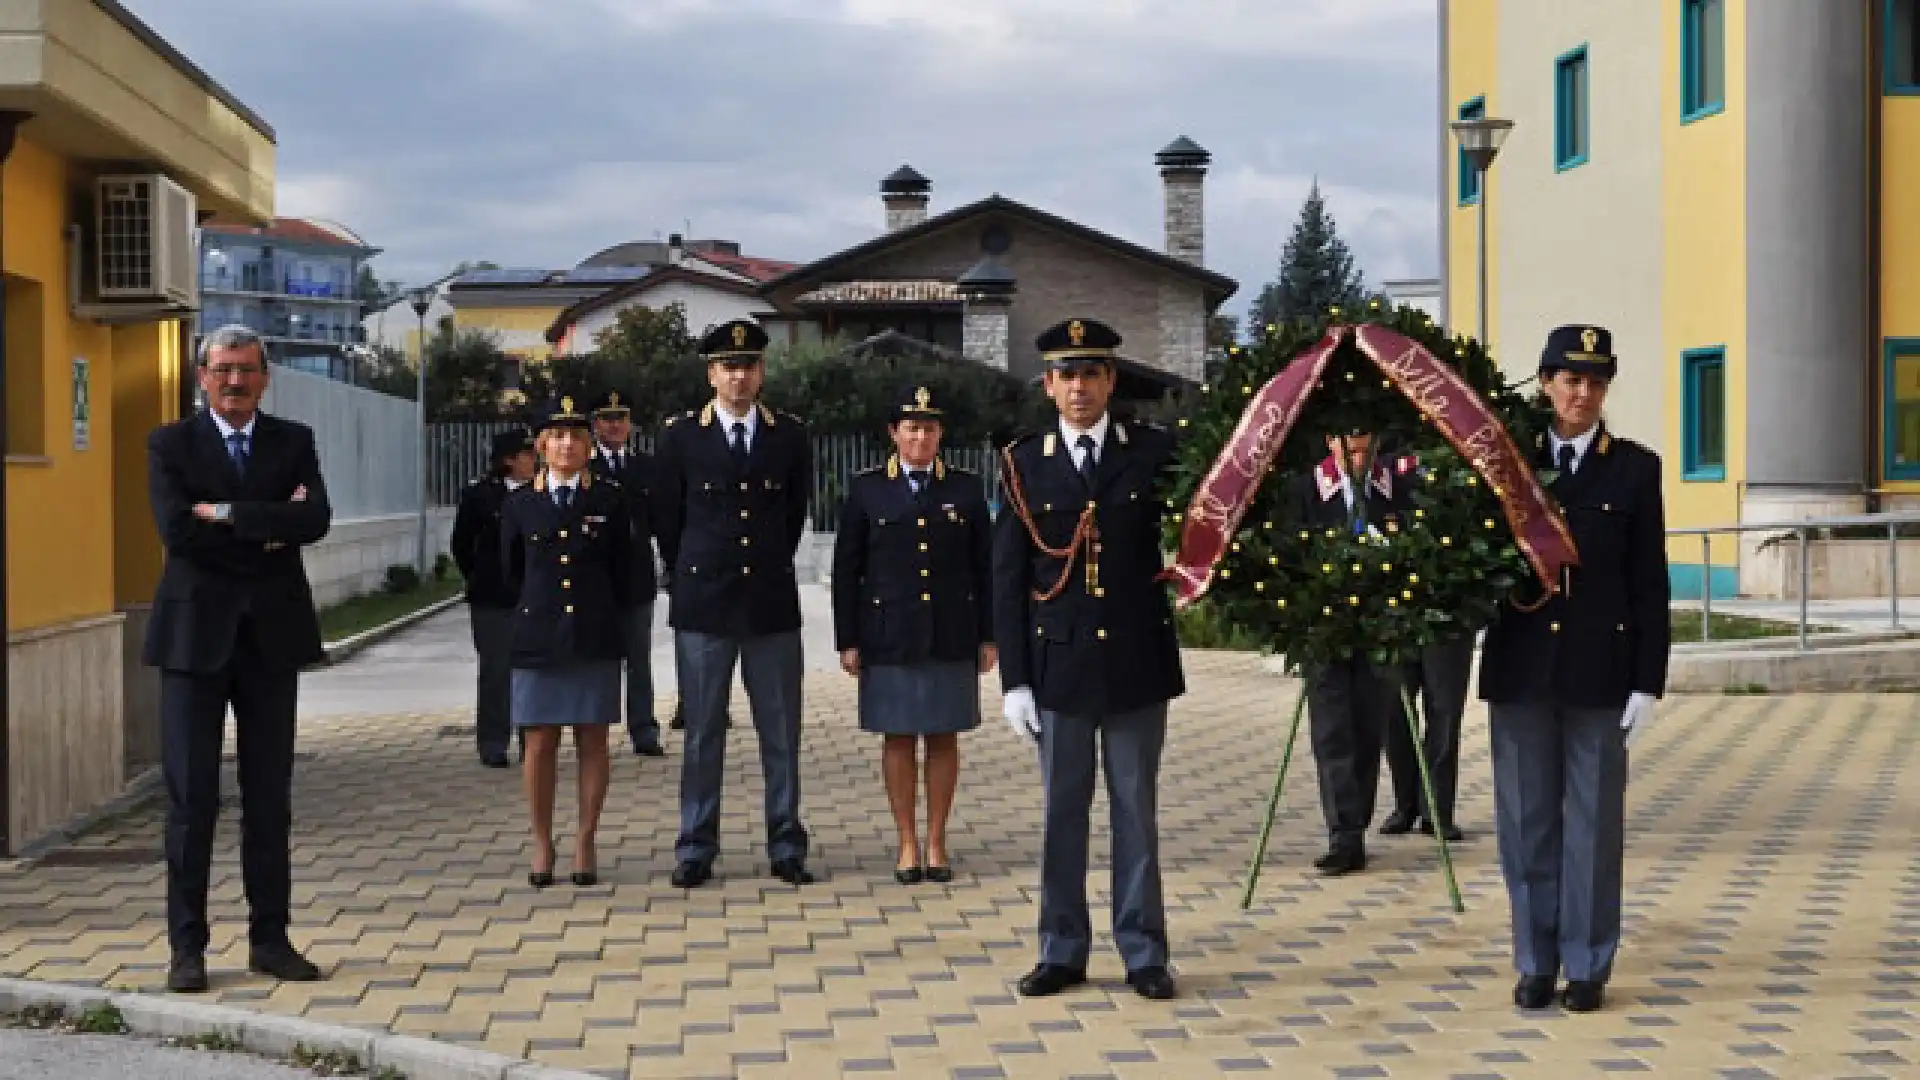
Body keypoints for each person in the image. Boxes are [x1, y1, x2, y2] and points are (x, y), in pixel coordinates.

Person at [1478, 324, 1670, 1014]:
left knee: (1592, 829)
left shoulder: (1635, 469)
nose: (1581, 393)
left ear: (1606, 388)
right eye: (1569, 379)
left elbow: (1650, 582)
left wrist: (1649, 679)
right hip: (1522, 668)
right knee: (1527, 825)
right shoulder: (1506, 464)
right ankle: (1536, 960)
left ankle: (1588, 966)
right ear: (1546, 383)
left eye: (1594, 381)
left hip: (1600, 671)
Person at [996, 317, 1184, 1001]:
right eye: (1066, 375)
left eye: (1092, 373)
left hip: (1135, 663)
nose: (1079, 387)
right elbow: (1007, 575)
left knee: (1136, 811)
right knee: (1062, 814)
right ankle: (1061, 949)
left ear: (1111, 380)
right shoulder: (1024, 462)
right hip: (1058, 667)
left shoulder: (1155, 452)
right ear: (1049, 386)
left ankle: (1143, 952)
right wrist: (1015, 679)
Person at [144, 324, 331, 994]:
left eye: (246, 370)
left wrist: (226, 513)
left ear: (264, 375)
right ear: (202, 376)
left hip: (271, 638)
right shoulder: (170, 444)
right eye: (222, 369)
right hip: (194, 641)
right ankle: (187, 948)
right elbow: (177, 530)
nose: (234, 381)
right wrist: (267, 524)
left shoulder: (293, 441)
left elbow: (315, 521)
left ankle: (271, 939)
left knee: (269, 799)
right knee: (192, 800)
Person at [655, 319, 815, 889]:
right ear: (711, 373)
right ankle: (696, 844)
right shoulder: (680, 437)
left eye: (748, 366)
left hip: (769, 601)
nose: (739, 376)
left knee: (780, 729)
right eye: (728, 366)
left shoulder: (789, 436)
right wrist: (694, 571)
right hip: (704, 601)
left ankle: (786, 841)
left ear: (762, 372)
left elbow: (794, 513)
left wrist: (764, 562)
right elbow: (668, 522)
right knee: (702, 729)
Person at [832, 386, 995, 884]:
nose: (920, 437)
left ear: (940, 433)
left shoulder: (966, 490)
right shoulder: (867, 490)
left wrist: (989, 636)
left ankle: (938, 841)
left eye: (929, 428)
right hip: (889, 633)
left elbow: (985, 568)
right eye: (911, 428)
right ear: (894, 434)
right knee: (898, 738)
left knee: (944, 736)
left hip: (950, 630)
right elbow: (846, 570)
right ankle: (907, 841)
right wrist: (848, 639)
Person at [500, 397, 636, 889]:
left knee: (593, 739)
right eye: (556, 436)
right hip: (538, 635)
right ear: (541, 445)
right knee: (539, 742)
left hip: (593, 633)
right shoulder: (519, 503)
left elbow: (626, 568)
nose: (566, 445)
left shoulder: (610, 499)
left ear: (588, 446)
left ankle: (585, 838)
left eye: (576, 436)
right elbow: (510, 572)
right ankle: (541, 841)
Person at [1288, 430, 1412, 877]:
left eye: (1366, 449)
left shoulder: (1393, 488)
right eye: (1350, 450)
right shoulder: (1307, 489)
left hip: (1377, 631)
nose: (1359, 459)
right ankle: (1343, 833)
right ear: (1330, 443)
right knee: (1332, 732)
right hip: (1326, 631)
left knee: (1368, 729)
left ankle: (1355, 826)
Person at [451, 428, 537, 769]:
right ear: (509, 460)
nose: (535, 460)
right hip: (492, 597)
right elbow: (462, 544)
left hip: (531, 595)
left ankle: (532, 739)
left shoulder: (541, 492)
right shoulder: (480, 496)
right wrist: (479, 576)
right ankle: (493, 740)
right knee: (496, 671)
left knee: (531, 669)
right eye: (527, 454)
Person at [586, 389, 665, 758]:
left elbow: (662, 520)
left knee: (638, 658)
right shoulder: (585, 468)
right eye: (607, 419)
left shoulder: (647, 467)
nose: (615, 426)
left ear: (630, 424)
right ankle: (593, 727)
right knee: (596, 657)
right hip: (596, 579)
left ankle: (644, 728)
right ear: (595, 424)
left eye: (621, 419)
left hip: (636, 577)